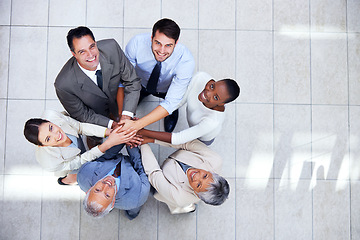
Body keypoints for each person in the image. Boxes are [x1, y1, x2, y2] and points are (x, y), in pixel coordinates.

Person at [54, 26, 141, 130]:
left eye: (92, 46)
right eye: (82, 51)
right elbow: (83, 115)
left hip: (116, 99)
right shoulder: (63, 85)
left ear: (96, 43)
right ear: (74, 54)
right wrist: (112, 125)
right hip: (94, 115)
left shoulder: (112, 48)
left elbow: (132, 81)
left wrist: (126, 116)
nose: (90, 55)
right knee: (94, 137)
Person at [23, 110, 137, 185]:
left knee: (86, 150)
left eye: (51, 128)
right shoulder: (50, 162)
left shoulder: (52, 115)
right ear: (42, 145)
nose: (56, 135)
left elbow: (80, 127)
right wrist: (107, 144)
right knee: (80, 170)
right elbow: (80, 160)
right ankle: (68, 180)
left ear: (49, 121)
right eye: (48, 139)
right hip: (69, 163)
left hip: (79, 149)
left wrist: (111, 132)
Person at [124, 18, 195, 132]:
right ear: (151, 38)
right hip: (140, 84)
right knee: (132, 99)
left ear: (176, 43)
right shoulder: (136, 43)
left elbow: (171, 102)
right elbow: (125, 75)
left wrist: (138, 124)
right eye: (158, 43)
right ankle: (139, 97)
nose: (162, 51)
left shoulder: (186, 61)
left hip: (166, 89)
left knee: (171, 105)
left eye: (168, 45)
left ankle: (171, 114)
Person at [138, 72, 240, 145]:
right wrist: (142, 122)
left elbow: (178, 139)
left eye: (215, 97)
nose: (208, 93)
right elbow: (180, 101)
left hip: (203, 137)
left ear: (221, 104)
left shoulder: (212, 122)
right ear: (213, 81)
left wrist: (142, 131)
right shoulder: (200, 78)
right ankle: (172, 113)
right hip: (193, 120)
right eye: (212, 86)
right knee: (172, 103)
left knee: (192, 144)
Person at [140, 138, 229, 214]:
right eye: (205, 176)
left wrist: (143, 143)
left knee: (176, 203)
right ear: (213, 173)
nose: (195, 176)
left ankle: (185, 207)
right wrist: (151, 138)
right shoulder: (214, 160)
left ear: (197, 194)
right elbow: (186, 143)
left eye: (198, 185)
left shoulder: (179, 197)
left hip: (175, 197)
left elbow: (153, 172)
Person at [78, 145, 150, 219]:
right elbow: (142, 169)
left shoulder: (84, 173)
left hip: (116, 157)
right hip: (131, 200)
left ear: (89, 190)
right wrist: (132, 147)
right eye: (107, 195)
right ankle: (132, 214)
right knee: (133, 207)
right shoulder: (138, 196)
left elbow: (103, 157)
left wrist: (122, 140)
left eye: (97, 190)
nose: (106, 185)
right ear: (113, 203)